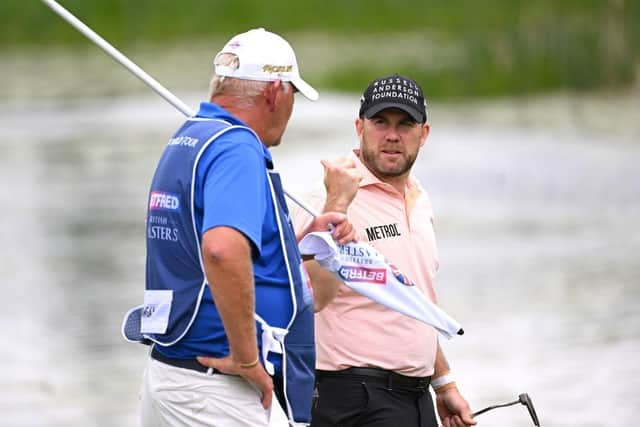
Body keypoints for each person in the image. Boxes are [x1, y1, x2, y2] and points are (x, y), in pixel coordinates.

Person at [123, 28, 356, 427]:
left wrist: (290, 247)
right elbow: (221, 250)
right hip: (212, 389)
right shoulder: (237, 148)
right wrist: (247, 357)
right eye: (293, 96)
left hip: (172, 376)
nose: (291, 108)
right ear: (274, 92)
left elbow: (202, 250)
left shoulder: (190, 137)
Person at [290, 74, 476, 427]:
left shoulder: (417, 197)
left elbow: (409, 300)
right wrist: (336, 207)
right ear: (359, 126)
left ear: (424, 133)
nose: (392, 135)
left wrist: (443, 381)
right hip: (352, 397)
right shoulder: (324, 198)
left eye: (405, 124)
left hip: (415, 396)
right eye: (380, 122)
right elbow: (310, 298)